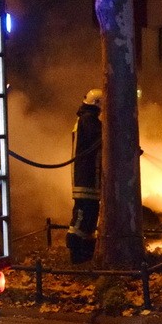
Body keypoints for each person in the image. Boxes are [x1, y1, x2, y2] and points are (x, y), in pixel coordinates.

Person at [66, 88, 103, 264]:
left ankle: (85, 254)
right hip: (86, 177)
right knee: (82, 215)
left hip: (87, 177)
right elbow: (105, 140)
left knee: (89, 214)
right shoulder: (89, 121)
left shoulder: (86, 119)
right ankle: (76, 253)